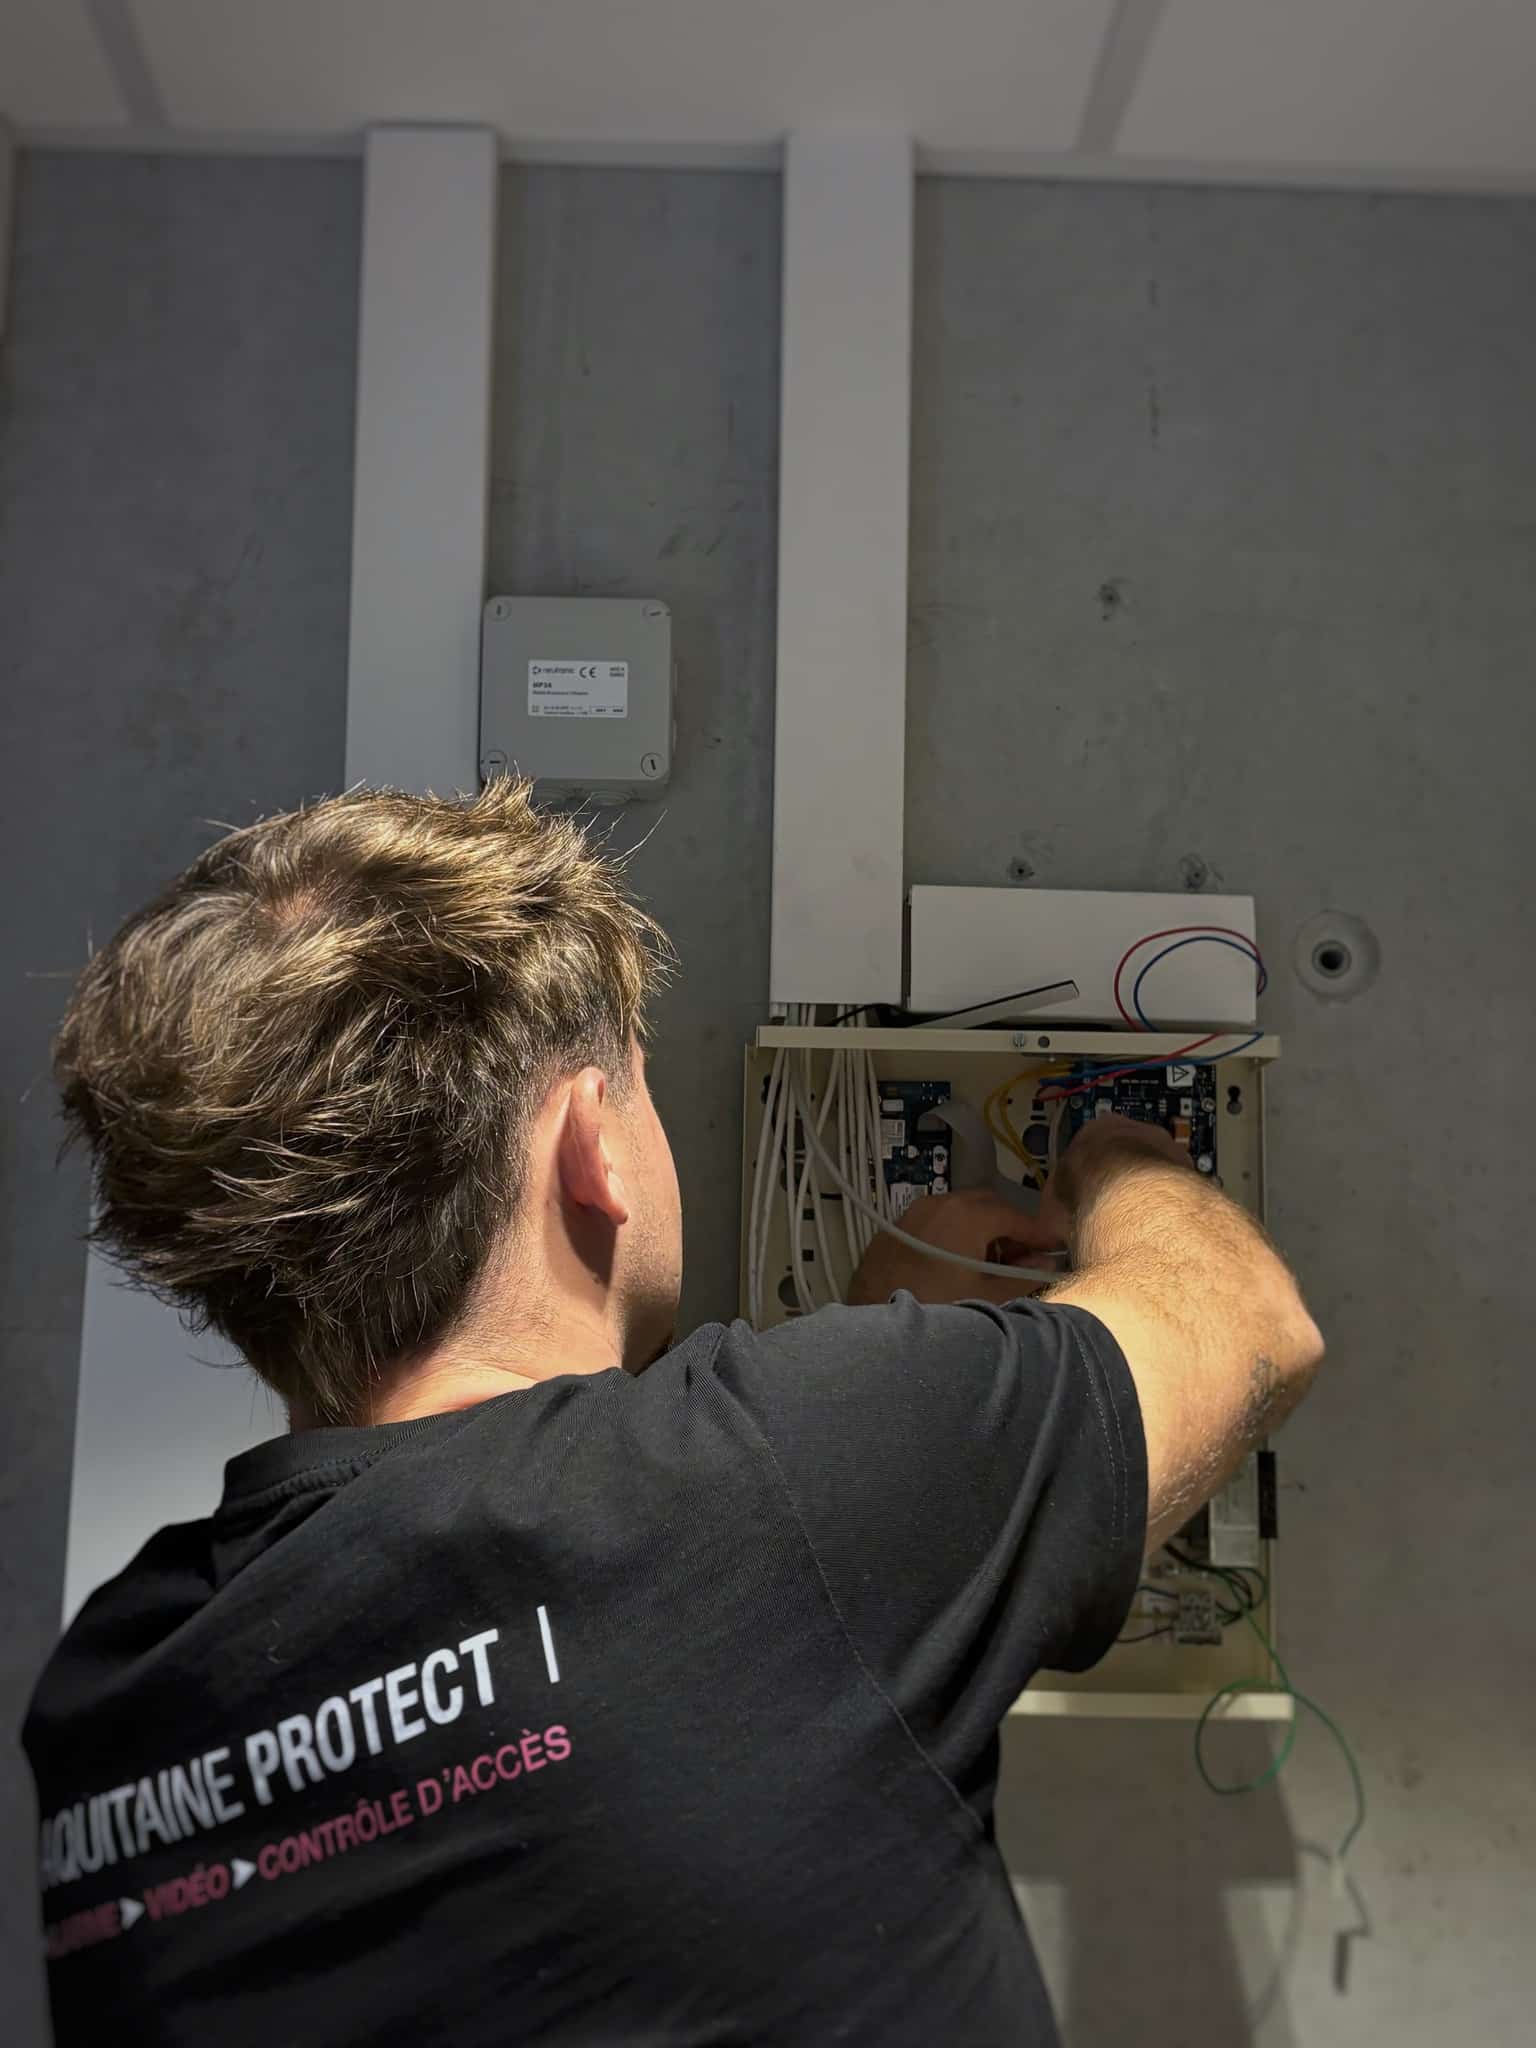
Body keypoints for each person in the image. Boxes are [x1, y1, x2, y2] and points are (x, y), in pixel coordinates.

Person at [26, 778, 1323, 2048]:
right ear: (593, 1141)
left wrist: (877, 1357)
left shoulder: (112, 1693)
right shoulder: (779, 1481)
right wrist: (1119, 1149)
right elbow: (1245, 1324)